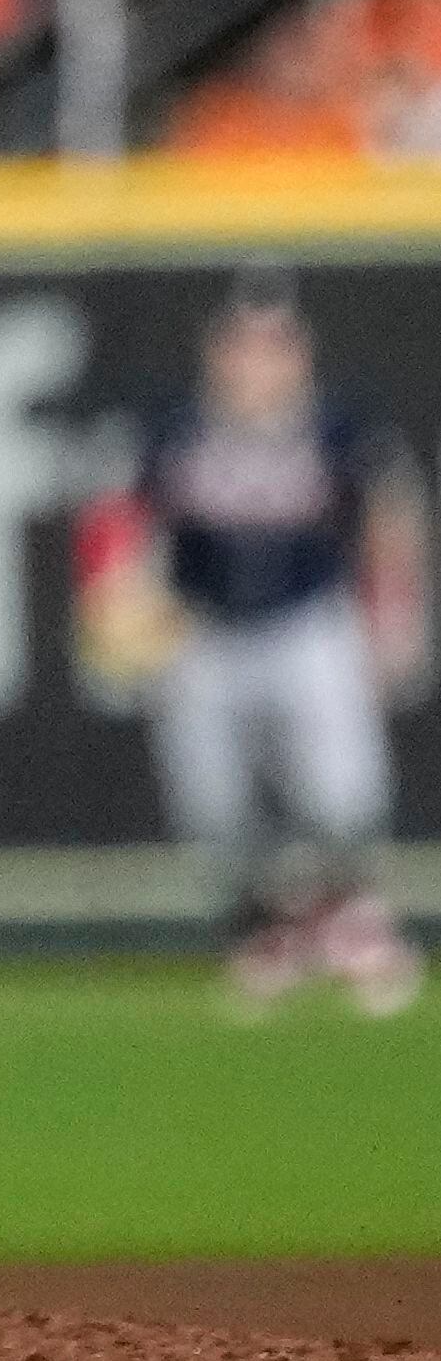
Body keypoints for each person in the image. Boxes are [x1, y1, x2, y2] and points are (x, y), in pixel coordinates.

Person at [77, 271, 426, 1015]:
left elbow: (388, 519)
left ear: (299, 356)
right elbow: (116, 519)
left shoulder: (339, 428)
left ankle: (350, 917)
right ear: (216, 354)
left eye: (272, 348)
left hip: (309, 618)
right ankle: (265, 929)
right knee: (213, 811)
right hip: (205, 629)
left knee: (343, 792)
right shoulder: (173, 428)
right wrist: (116, 602)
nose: (255, 364)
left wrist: (392, 619)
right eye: (241, 347)